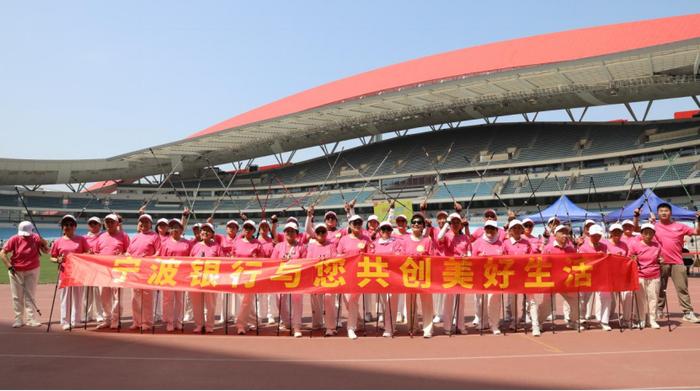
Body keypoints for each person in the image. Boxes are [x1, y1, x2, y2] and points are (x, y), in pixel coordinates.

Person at [635, 203, 700, 322]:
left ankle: (688, 312)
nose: (664, 213)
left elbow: (697, 232)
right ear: (658, 213)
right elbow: (636, 229)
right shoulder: (653, 226)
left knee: (682, 288)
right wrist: (636, 216)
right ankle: (659, 310)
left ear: (671, 213)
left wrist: (699, 220)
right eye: (661, 211)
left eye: (666, 210)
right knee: (659, 289)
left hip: (677, 262)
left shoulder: (680, 226)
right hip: (660, 263)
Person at [1, 221, 48, 328]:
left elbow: (46, 251)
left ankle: (31, 319)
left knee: (30, 295)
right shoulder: (14, 239)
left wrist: (43, 242)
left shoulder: (36, 238)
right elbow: (2, 253)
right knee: (17, 296)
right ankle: (18, 319)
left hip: (33, 269)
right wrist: (9, 266)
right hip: (15, 270)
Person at [540, 224, 583, 331]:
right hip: (552, 281)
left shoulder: (570, 248)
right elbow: (542, 263)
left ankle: (573, 321)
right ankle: (538, 322)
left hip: (566, 281)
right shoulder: (548, 248)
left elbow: (576, 262)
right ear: (555, 235)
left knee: (576, 301)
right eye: (562, 233)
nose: (565, 235)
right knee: (546, 305)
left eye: (566, 233)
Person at [50, 214, 89, 330]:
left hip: (78, 273)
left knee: (78, 297)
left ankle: (76, 320)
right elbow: (52, 257)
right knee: (65, 298)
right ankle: (65, 320)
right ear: (62, 227)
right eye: (65, 224)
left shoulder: (81, 239)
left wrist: (87, 255)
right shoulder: (58, 241)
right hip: (64, 272)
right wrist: (58, 259)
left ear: (75, 226)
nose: (68, 226)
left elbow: (87, 253)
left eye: (71, 224)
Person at [335, 214, 370, 339]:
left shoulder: (366, 239)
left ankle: (351, 328)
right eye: (354, 223)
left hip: (360, 275)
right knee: (347, 301)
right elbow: (338, 255)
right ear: (349, 225)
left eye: (359, 223)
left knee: (353, 300)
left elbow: (371, 255)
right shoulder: (343, 239)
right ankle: (358, 320)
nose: (357, 226)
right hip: (345, 274)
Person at [270, 221, 307, 338]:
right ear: (284, 233)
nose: (290, 233)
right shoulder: (278, 246)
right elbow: (272, 262)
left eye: (292, 231)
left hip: (297, 278)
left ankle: (296, 326)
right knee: (279, 301)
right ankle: (287, 322)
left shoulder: (301, 246)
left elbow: (306, 261)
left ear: (297, 233)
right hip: (281, 278)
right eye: (287, 231)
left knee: (297, 302)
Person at [402, 213, 436, 338]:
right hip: (409, 276)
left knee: (427, 303)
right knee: (410, 303)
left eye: (419, 222)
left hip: (424, 276)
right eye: (414, 222)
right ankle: (412, 326)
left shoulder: (428, 241)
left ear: (423, 226)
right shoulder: (405, 240)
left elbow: (433, 258)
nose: (416, 224)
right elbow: (400, 257)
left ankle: (428, 328)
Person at [94, 213, 130, 329]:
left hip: (118, 269)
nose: (109, 224)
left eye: (111, 222)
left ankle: (116, 319)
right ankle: (107, 319)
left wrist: (123, 254)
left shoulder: (124, 236)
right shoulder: (101, 236)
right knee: (103, 295)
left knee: (117, 296)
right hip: (103, 270)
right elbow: (96, 252)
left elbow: (129, 252)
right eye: (107, 222)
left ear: (117, 223)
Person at [437, 212, 470, 334]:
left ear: (461, 224)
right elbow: (438, 238)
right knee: (449, 300)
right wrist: (446, 224)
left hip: (462, 271)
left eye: (458, 222)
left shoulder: (465, 238)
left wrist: (467, 256)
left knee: (461, 300)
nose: (455, 225)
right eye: (453, 222)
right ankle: (447, 326)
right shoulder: (446, 235)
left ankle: (461, 326)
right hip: (449, 271)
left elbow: (469, 251)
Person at [502, 220, 537, 334]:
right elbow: (502, 258)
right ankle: (514, 321)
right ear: (510, 231)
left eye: (518, 228)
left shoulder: (526, 242)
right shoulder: (506, 243)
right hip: (512, 276)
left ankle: (535, 325)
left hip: (526, 275)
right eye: (514, 228)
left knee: (531, 300)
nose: (517, 230)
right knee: (513, 300)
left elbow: (532, 257)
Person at [126, 214, 161, 331]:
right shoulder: (135, 236)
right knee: (135, 297)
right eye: (142, 222)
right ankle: (136, 321)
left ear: (151, 224)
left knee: (147, 298)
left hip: (148, 271)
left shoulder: (155, 236)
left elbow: (158, 253)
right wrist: (126, 256)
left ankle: (147, 322)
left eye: (146, 222)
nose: (144, 224)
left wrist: (149, 258)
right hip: (135, 271)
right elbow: (129, 252)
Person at [625, 223, 662, 329]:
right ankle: (641, 319)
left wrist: (661, 260)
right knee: (641, 299)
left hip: (654, 275)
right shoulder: (635, 245)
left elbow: (659, 258)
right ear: (641, 233)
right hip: (640, 275)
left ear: (654, 234)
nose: (648, 235)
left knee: (653, 298)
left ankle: (652, 320)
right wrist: (633, 259)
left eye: (651, 232)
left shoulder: (657, 245)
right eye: (645, 232)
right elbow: (629, 258)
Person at [370, 220, 404, 337]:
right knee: (385, 303)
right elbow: (370, 256)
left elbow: (400, 256)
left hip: (394, 276)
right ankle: (389, 324)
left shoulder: (396, 243)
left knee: (392, 301)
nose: (386, 232)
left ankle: (389, 327)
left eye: (388, 229)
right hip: (380, 276)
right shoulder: (374, 243)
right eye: (383, 229)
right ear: (379, 231)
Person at [471, 220, 505, 335]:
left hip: (495, 278)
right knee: (481, 301)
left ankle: (494, 325)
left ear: (496, 230)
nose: (490, 231)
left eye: (492, 228)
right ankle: (482, 321)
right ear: (484, 229)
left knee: (494, 301)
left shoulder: (501, 244)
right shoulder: (478, 242)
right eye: (487, 228)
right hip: (481, 277)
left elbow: (506, 260)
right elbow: (472, 260)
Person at [158, 218, 191, 332]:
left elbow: (191, 259)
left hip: (182, 275)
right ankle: (170, 321)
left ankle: (178, 321)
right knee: (168, 299)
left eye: (176, 227)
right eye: (172, 227)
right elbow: (161, 259)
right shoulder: (165, 243)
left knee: (180, 299)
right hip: (168, 275)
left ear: (181, 229)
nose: (174, 229)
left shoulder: (187, 243)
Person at [307, 223, 339, 336]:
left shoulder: (332, 245)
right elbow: (308, 261)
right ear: (315, 234)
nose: (321, 234)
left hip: (329, 277)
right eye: (318, 232)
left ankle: (330, 327)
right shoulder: (311, 246)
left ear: (327, 233)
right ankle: (317, 323)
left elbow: (335, 259)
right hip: (315, 278)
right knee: (315, 302)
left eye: (323, 232)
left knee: (329, 299)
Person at [189, 222, 222, 333]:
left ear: (212, 234)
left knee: (210, 304)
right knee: (196, 303)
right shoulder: (195, 246)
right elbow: (189, 261)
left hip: (211, 278)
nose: (205, 232)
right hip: (196, 278)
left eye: (208, 230)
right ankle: (199, 324)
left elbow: (223, 263)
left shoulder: (216, 247)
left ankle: (209, 325)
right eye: (203, 230)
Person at [578, 224, 612, 331]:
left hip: (601, 276)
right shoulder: (583, 247)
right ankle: (581, 319)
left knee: (606, 297)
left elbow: (608, 259)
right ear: (589, 235)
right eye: (594, 235)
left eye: (598, 235)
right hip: (587, 276)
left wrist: (605, 255)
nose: (596, 237)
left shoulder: (604, 246)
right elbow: (581, 262)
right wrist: (595, 256)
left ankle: (604, 320)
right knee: (583, 299)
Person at [233, 220, 262, 335]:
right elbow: (232, 256)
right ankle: (254, 320)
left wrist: (256, 259)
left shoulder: (257, 243)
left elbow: (263, 259)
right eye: (245, 228)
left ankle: (240, 324)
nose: (247, 230)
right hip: (238, 274)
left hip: (251, 275)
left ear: (254, 231)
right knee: (244, 301)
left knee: (246, 300)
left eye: (250, 228)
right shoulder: (237, 242)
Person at [84, 216, 104, 322]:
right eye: (90, 223)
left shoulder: (103, 236)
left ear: (100, 225)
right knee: (87, 293)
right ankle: (87, 314)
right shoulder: (84, 238)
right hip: (87, 268)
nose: (92, 225)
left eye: (95, 223)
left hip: (99, 268)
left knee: (98, 292)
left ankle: (99, 314)